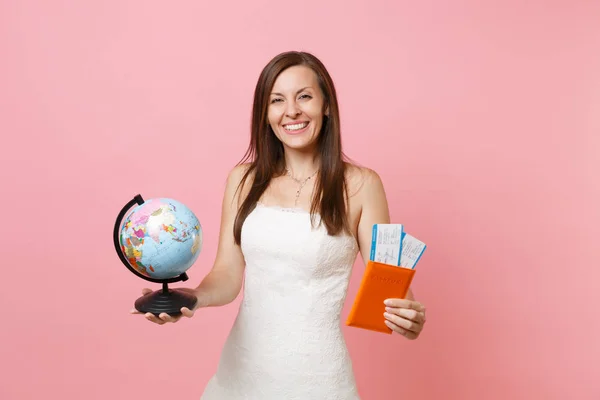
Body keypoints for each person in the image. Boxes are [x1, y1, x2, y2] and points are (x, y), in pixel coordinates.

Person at [132, 51, 427, 399]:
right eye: (277, 100)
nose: (291, 111)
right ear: (265, 113)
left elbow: (388, 286)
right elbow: (227, 274)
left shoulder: (362, 185)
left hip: (320, 379)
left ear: (327, 105)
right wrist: (192, 297)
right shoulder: (242, 179)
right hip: (241, 377)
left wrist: (407, 315)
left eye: (304, 96)